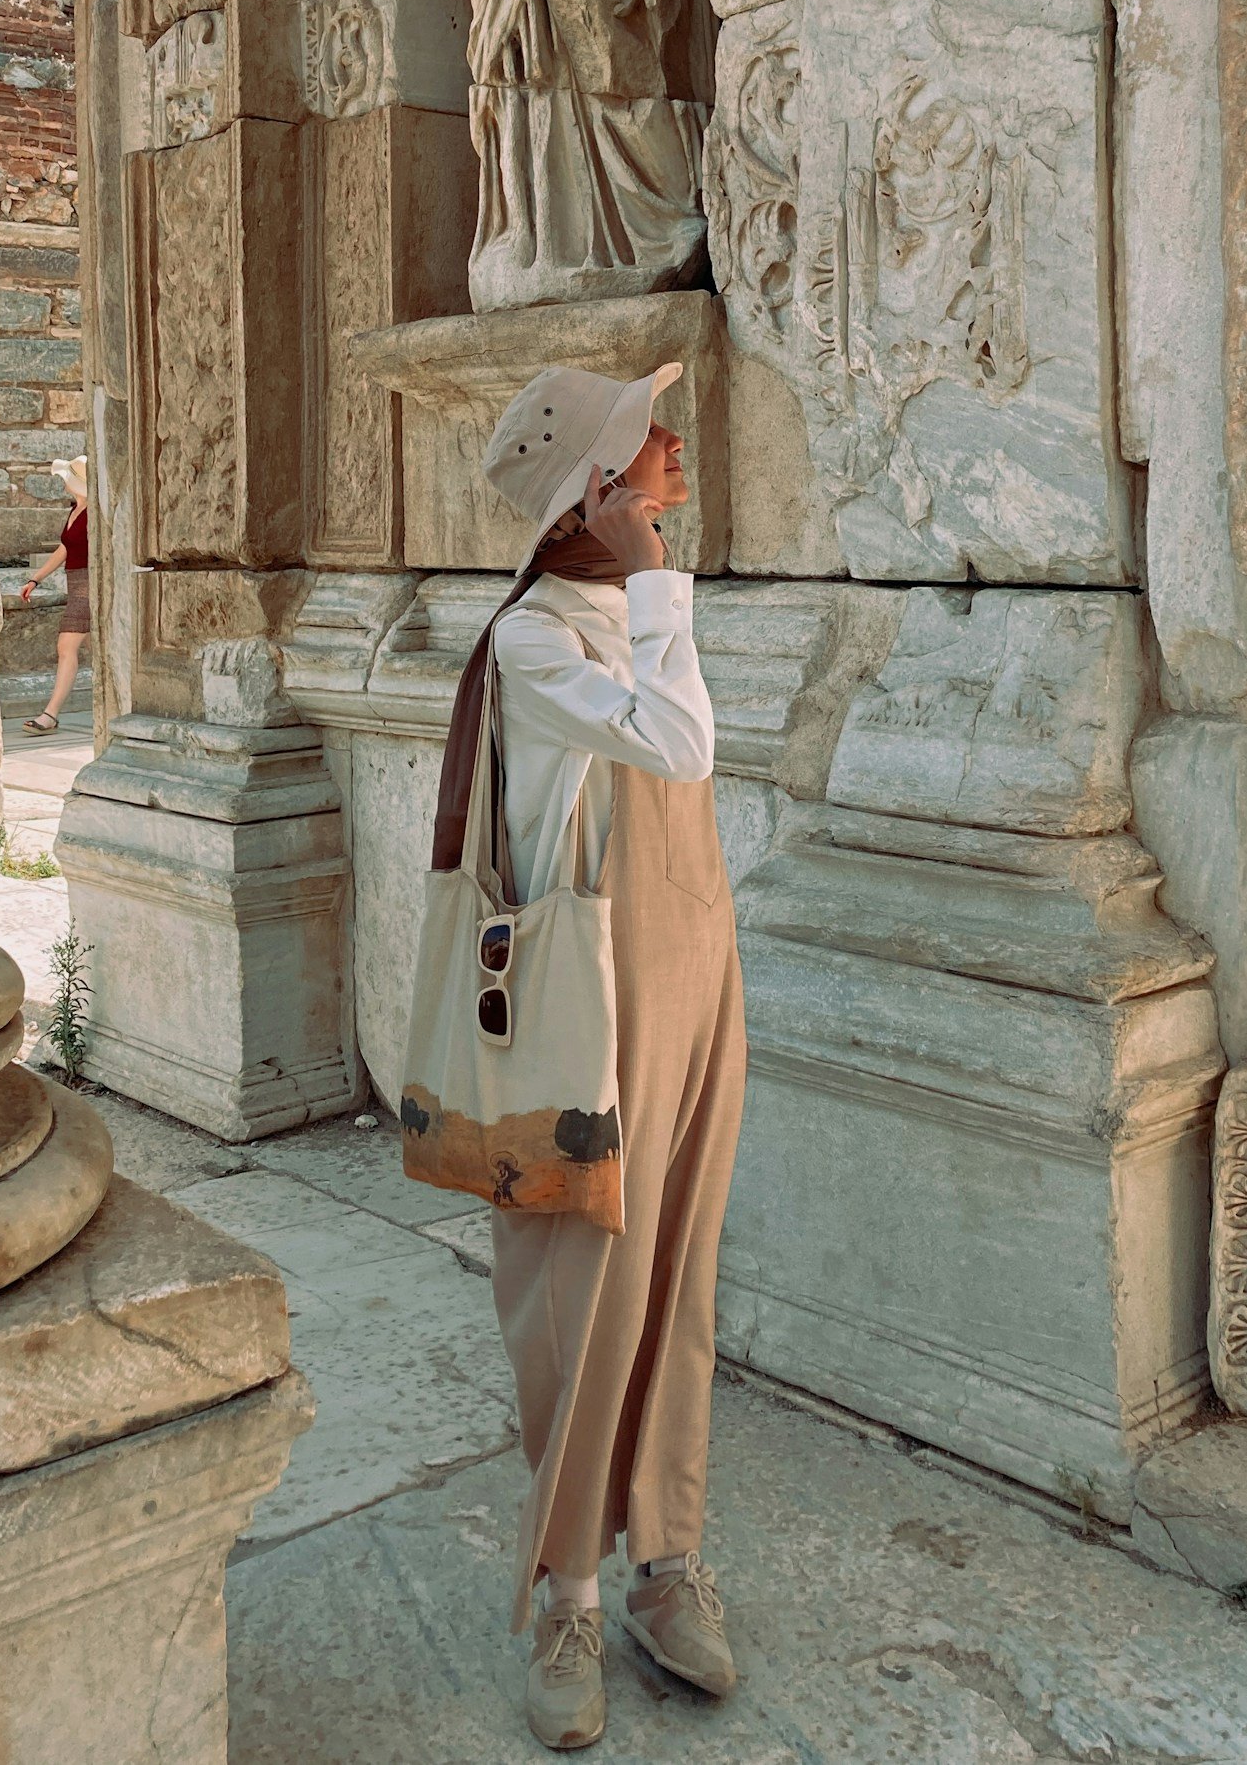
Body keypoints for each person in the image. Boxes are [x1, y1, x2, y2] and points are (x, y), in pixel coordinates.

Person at [444, 360, 746, 1750]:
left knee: (678, 1270)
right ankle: (565, 1588)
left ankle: (662, 1564)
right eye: (641, 448)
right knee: (576, 1289)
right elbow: (678, 745)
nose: (672, 450)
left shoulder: (616, 614)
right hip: (583, 1000)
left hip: (687, 969)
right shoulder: (535, 642)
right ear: (593, 499)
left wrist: (649, 586)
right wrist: (662, 586)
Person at [19, 454, 90, 736]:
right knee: (73, 649)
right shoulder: (75, 509)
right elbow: (64, 549)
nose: (63, 483)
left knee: (66, 647)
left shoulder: (94, 512)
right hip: (77, 587)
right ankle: (51, 714)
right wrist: (35, 579)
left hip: (89, 586)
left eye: (67, 478)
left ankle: (50, 714)